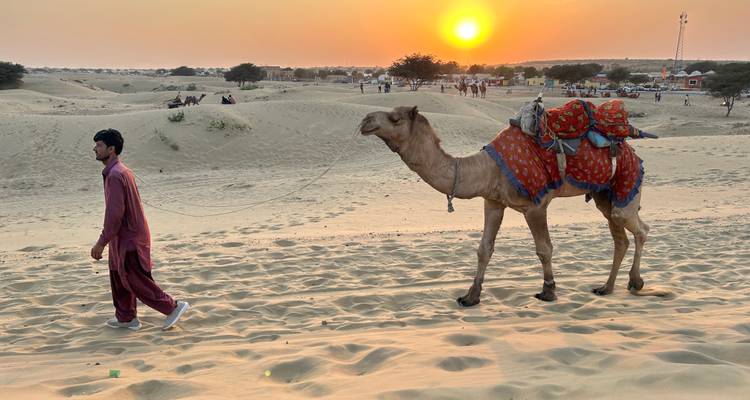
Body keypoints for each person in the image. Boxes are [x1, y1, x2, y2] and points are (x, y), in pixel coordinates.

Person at [91, 129, 189, 331]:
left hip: (129, 237)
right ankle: (126, 318)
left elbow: (115, 214)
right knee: (117, 275)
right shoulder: (117, 171)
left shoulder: (117, 174)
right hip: (122, 236)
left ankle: (172, 307)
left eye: (99, 145)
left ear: (112, 149)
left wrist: (101, 241)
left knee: (134, 279)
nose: (95, 149)